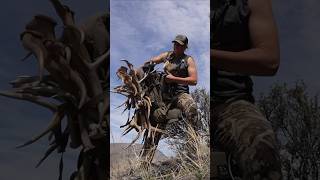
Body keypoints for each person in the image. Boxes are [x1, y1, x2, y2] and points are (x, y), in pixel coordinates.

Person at [211, 0, 282, 179]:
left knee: (260, 142)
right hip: (196, 98)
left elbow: (269, 60)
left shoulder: (254, 2)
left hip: (229, 103)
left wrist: (206, 54)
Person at [145, 34, 199, 130]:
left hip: (181, 94)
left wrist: (174, 79)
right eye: (175, 44)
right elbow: (152, 61)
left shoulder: (188, 60)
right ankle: (150, 145)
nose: (177, 47)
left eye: (180, 45)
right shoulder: (167, 55)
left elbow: (194, 80)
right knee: (156, 124)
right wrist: (142, 67)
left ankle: (196, 138)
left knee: (192, 109)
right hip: (165, 97)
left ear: (185, 47)